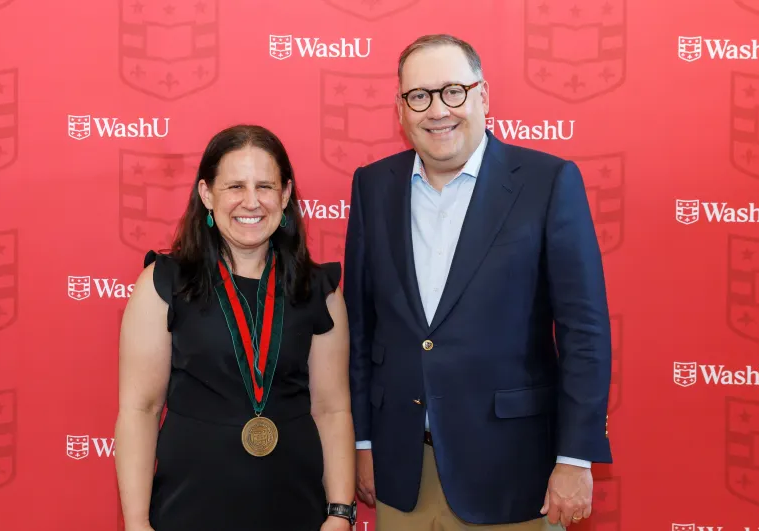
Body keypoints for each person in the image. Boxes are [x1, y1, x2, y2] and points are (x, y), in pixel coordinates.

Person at [343, 34, 614, 530]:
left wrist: (575, 457)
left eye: (453, 91)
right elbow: (362, 330)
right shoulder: (373, 186)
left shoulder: (547, 182)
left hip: (514, 475)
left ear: (483, 96)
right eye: (418, 96)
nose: (437, 110)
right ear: (401, 110)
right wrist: (363, 442)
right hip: (402, 473)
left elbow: (585, 333)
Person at [114, 124, 358, 531]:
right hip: (188, 510)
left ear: (285, 195)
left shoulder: (319, 289)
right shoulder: (165, 283)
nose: (251, 201)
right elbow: (141, 409)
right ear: (207, 194)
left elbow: (332, 410)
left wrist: (340, 513)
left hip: (295, 509)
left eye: (265, 185)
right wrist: (137, 523)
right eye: (235, 187)